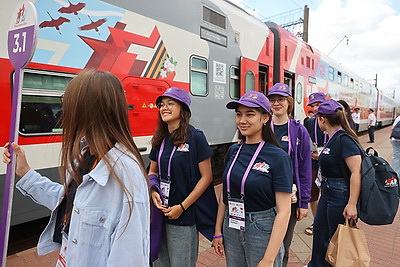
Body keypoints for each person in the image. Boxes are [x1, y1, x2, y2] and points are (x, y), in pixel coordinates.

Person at [3, 70, 150, 266]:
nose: (64, 111)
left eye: (68, 102)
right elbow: (70, 202)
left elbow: (129, 257)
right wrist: (25, 172)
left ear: (88, 110)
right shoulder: (86, 154)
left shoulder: (126, 172)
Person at [212, 91, 293, 267]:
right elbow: (225, 196)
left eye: (250, 114)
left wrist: (269, 259)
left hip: (262, 227)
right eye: (239, 114)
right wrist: (218, 230)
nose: (242, 120)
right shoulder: (234, 151)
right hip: (231, 224)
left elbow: (284, 211)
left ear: (265, 118)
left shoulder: (278, 157)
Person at [148, 87, 217, 266]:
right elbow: (152, 171)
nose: (164, 108)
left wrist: (182, 207)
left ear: (183, 109)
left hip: (183, 216)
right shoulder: (160, 138)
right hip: (159, 214)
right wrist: (153, 190)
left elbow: (206, 177)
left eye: (171, 103)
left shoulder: (195, 137)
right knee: (159, 262)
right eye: (162, 104)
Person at [306, 99, 362, 267]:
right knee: (320, 231)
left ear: (322, 119)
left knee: (335, 238)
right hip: (328, 192)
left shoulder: (344, 139)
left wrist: (352, 204)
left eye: (318, 118)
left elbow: (356, 172)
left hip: (340, 195)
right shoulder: (332, 138)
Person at [267, 83, 312, 267]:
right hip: (264, 195)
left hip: (288, 198)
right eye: (272, 99)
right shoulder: (262, 127)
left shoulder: (298, 130)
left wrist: (304, 202)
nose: (276, 103)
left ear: (289, 102)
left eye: (281, 99)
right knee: (261, 244)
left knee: (283, 245)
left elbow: (304, 168)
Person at [303, 92, 326, 236]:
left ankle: (325, 221)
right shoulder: (309, 122)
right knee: (312, 194)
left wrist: (323, 155)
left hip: (328, 164)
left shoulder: (332, 121)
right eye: (313, 105)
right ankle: (317, 221)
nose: (315, 108)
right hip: (312, 163)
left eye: (318, 105)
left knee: (326, 193)